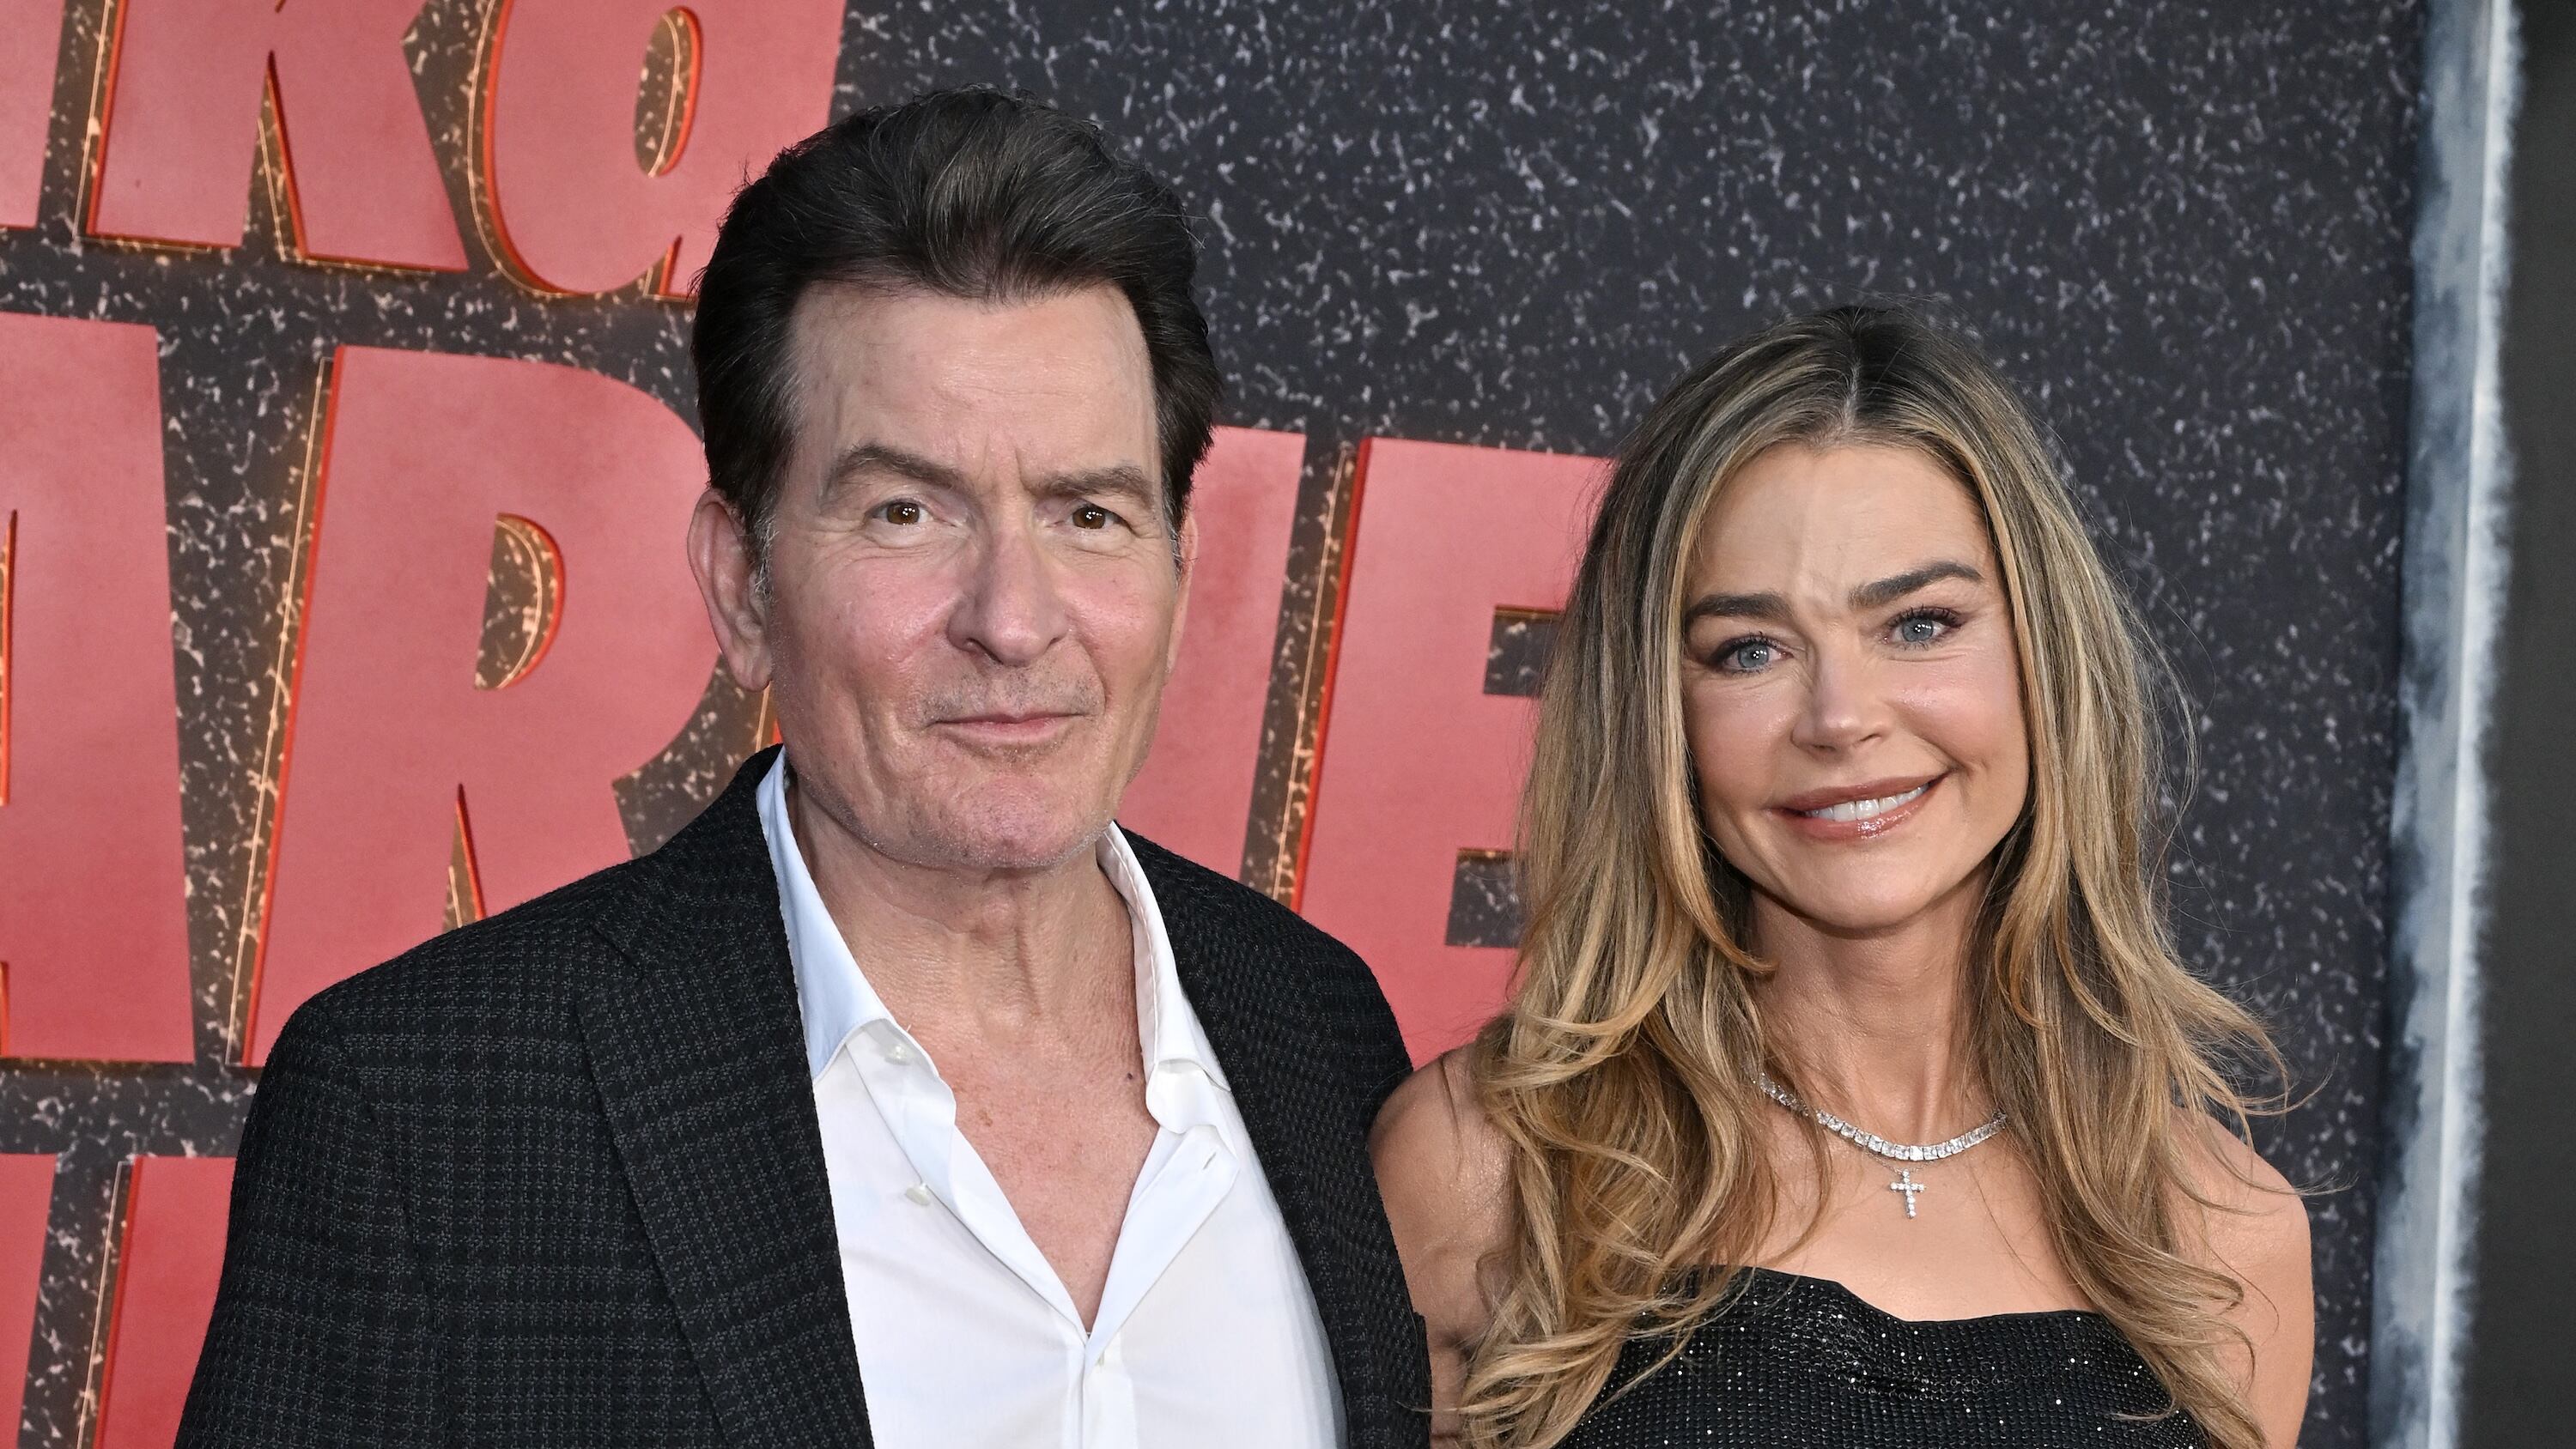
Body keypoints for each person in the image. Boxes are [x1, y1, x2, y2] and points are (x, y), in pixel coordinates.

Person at [179, 89, 1427, 1449]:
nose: (1013, 617)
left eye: (1089, 512)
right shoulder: (426, 1112)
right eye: (905, 511)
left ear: (1179, 569)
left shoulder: (1320, 1030)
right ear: (743, 585)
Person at [1372, 306, 2312, 1449]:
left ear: (2041, 659)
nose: (1841, 718)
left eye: (1919, 623)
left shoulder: (2222, 1234)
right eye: (1749, 649)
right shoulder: (1489, 1168)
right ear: (1658, 715)